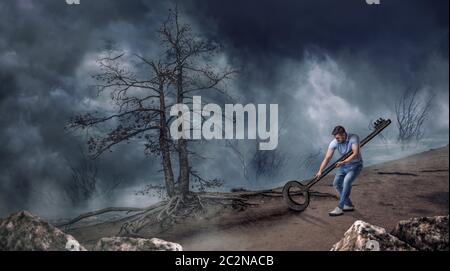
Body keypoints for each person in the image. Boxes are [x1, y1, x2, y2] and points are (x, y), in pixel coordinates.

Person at [315, 125, 363, 216]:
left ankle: (340, 207)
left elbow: (355, 153)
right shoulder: (334, 142)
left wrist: (343, 161)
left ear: (344, 134)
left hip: (355, 165)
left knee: (346, 182)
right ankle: (348, 204)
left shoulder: (353, 137)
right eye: (335, 138)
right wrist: (320, 171)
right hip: (344, 166)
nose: (336, 139)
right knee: (336, 184)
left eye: (338, 137)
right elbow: (327, 158)